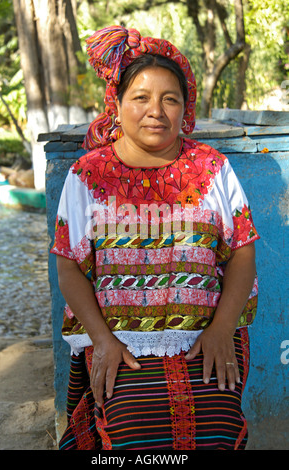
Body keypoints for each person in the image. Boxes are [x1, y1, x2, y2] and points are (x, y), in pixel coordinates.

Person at [51, 25, 260, 450]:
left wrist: (221, 331)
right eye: (141, 98)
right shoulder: (87, 175)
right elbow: (69, 265)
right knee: (128, 431)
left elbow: (241, 253)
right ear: (117, 104)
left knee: (219, 428)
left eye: (170, 99)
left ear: (186, 108)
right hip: (120, 342)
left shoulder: (213, 168)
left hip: (206, 336)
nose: (156, 111)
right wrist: (104, 343)